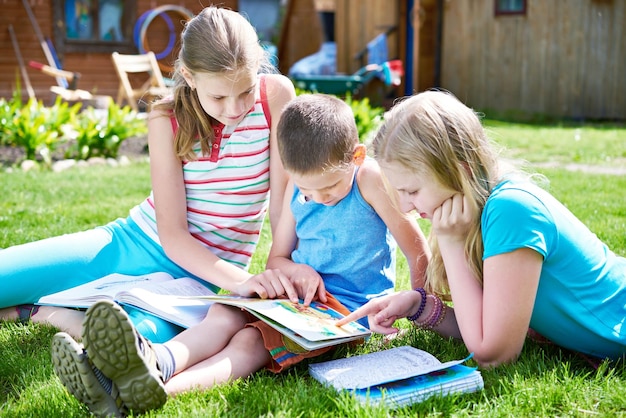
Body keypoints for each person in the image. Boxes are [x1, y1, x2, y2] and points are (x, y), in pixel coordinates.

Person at [50, 93, 431, 416]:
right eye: (307, 189)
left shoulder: (369, 180)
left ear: (357, 156)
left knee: (250, 343)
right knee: (226, 310)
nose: (318, 198)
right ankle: (157, 361)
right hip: (299, 299)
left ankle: (154, 392)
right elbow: (277, 259)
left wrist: (418, 307)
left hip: (347, 312)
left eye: (329, 187)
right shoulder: (298, 190)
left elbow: (418, 249)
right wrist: (294, 271)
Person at [0, 6, 297, 342]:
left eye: (244, 91)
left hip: (201, 278)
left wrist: (278, 263)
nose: (235, 109)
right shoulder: (165, 116)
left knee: (142, 339)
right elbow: (172, 234)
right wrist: (243, 282)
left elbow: (282, 200)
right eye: (218, 96)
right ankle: (37, 304)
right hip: (132, 243)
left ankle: (44, 312)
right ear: (188, 75)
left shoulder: (276, 95)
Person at [337, 90, 626, 368]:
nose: (405, 207)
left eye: (411, 191)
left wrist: (450, 243)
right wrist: (416, 305)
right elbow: (484, 324)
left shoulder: (510, 209)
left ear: (459, 171)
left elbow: (492, 355)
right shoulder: (473, 207)